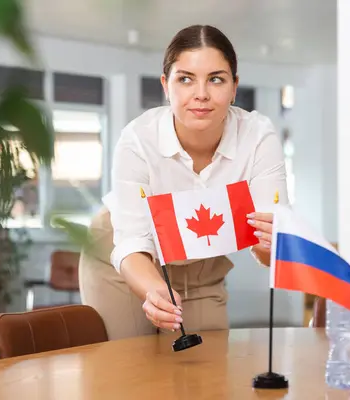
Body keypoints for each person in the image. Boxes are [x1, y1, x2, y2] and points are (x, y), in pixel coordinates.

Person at [78, 24, 289, 341]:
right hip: (124, 261)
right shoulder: (138, 140)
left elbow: (266, 244)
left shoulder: (258, 136)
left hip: (203, 265)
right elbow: (132, 243)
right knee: (131, 370)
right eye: (185, 79)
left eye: (216, 79)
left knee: (208, 374)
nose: (201, 94)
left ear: (234, 87)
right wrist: (154, 289)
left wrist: (272, 244)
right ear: (166, 85)